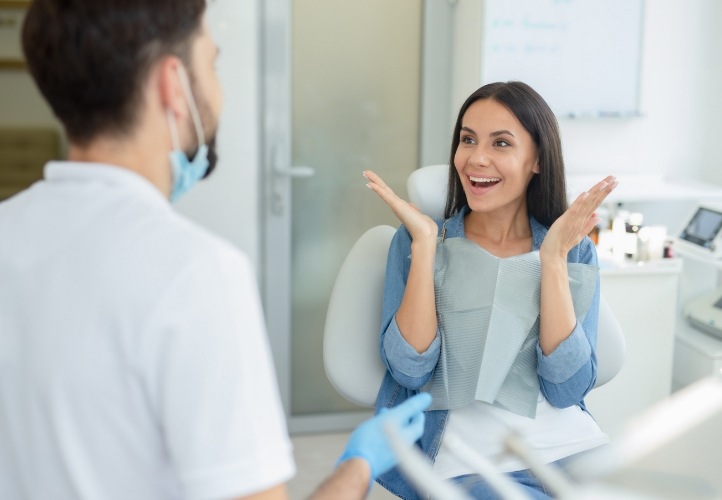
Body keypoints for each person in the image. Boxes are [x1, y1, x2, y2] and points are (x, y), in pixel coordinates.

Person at [0, 1, 432, 499]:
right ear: (172, 86)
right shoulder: (192, 273)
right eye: (213, 62)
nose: (218, 89)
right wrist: (359, 465)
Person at [364, 81, 618, 499]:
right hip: (469, 462)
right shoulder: (416, 242)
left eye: (501, 143)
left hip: (571, 451)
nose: (476, 158)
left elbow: (566, 389)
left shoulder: (574, 251)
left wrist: (552, 260)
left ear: (536, 159)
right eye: (467, 140)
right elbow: (409, 370)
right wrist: (427, 247)